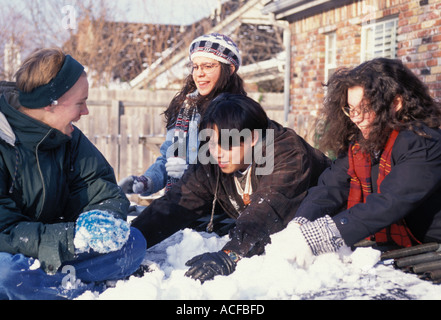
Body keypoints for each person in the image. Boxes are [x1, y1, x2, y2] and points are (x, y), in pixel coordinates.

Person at [131, 93, 330, 283]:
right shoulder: (213, 156)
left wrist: (230, 255)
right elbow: (176, 203)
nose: (217, 152)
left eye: (226, 144)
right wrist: (130, 239)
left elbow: (267, 211)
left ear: (252, 138)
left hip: (330, 244)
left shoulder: (287, 154)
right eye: (211, 142)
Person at [0, 48, 146, 300]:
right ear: (50, 102)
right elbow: (4, 231)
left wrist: (102, 218)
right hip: (11, 250)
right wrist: (71, 238)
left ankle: (48, 288)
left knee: (132, 242)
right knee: (7, 273)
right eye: (80, 102)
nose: (86, 111)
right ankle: (74, 286)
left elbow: (101, 188)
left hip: (54, 245)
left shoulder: (69, 138)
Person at [285, 58, 441, 266]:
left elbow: (389, 202)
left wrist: (323, 235)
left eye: (365, 108)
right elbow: (330, 187)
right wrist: (300, 224)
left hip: (432, 249)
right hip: (403, 250)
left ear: (395, 103)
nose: (356, 118)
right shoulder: (361, 144)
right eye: (351, 109)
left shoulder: (424, 142)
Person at [118, 33, 246, 196]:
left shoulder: (241, 113)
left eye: (208, 66)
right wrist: (146, 182)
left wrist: (189, 174)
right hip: (180, 205)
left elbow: (241, 170)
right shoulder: (185, 109)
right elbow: (169, 160)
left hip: (221, 214)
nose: (199, 73)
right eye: (196, 66)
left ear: (230, 69)